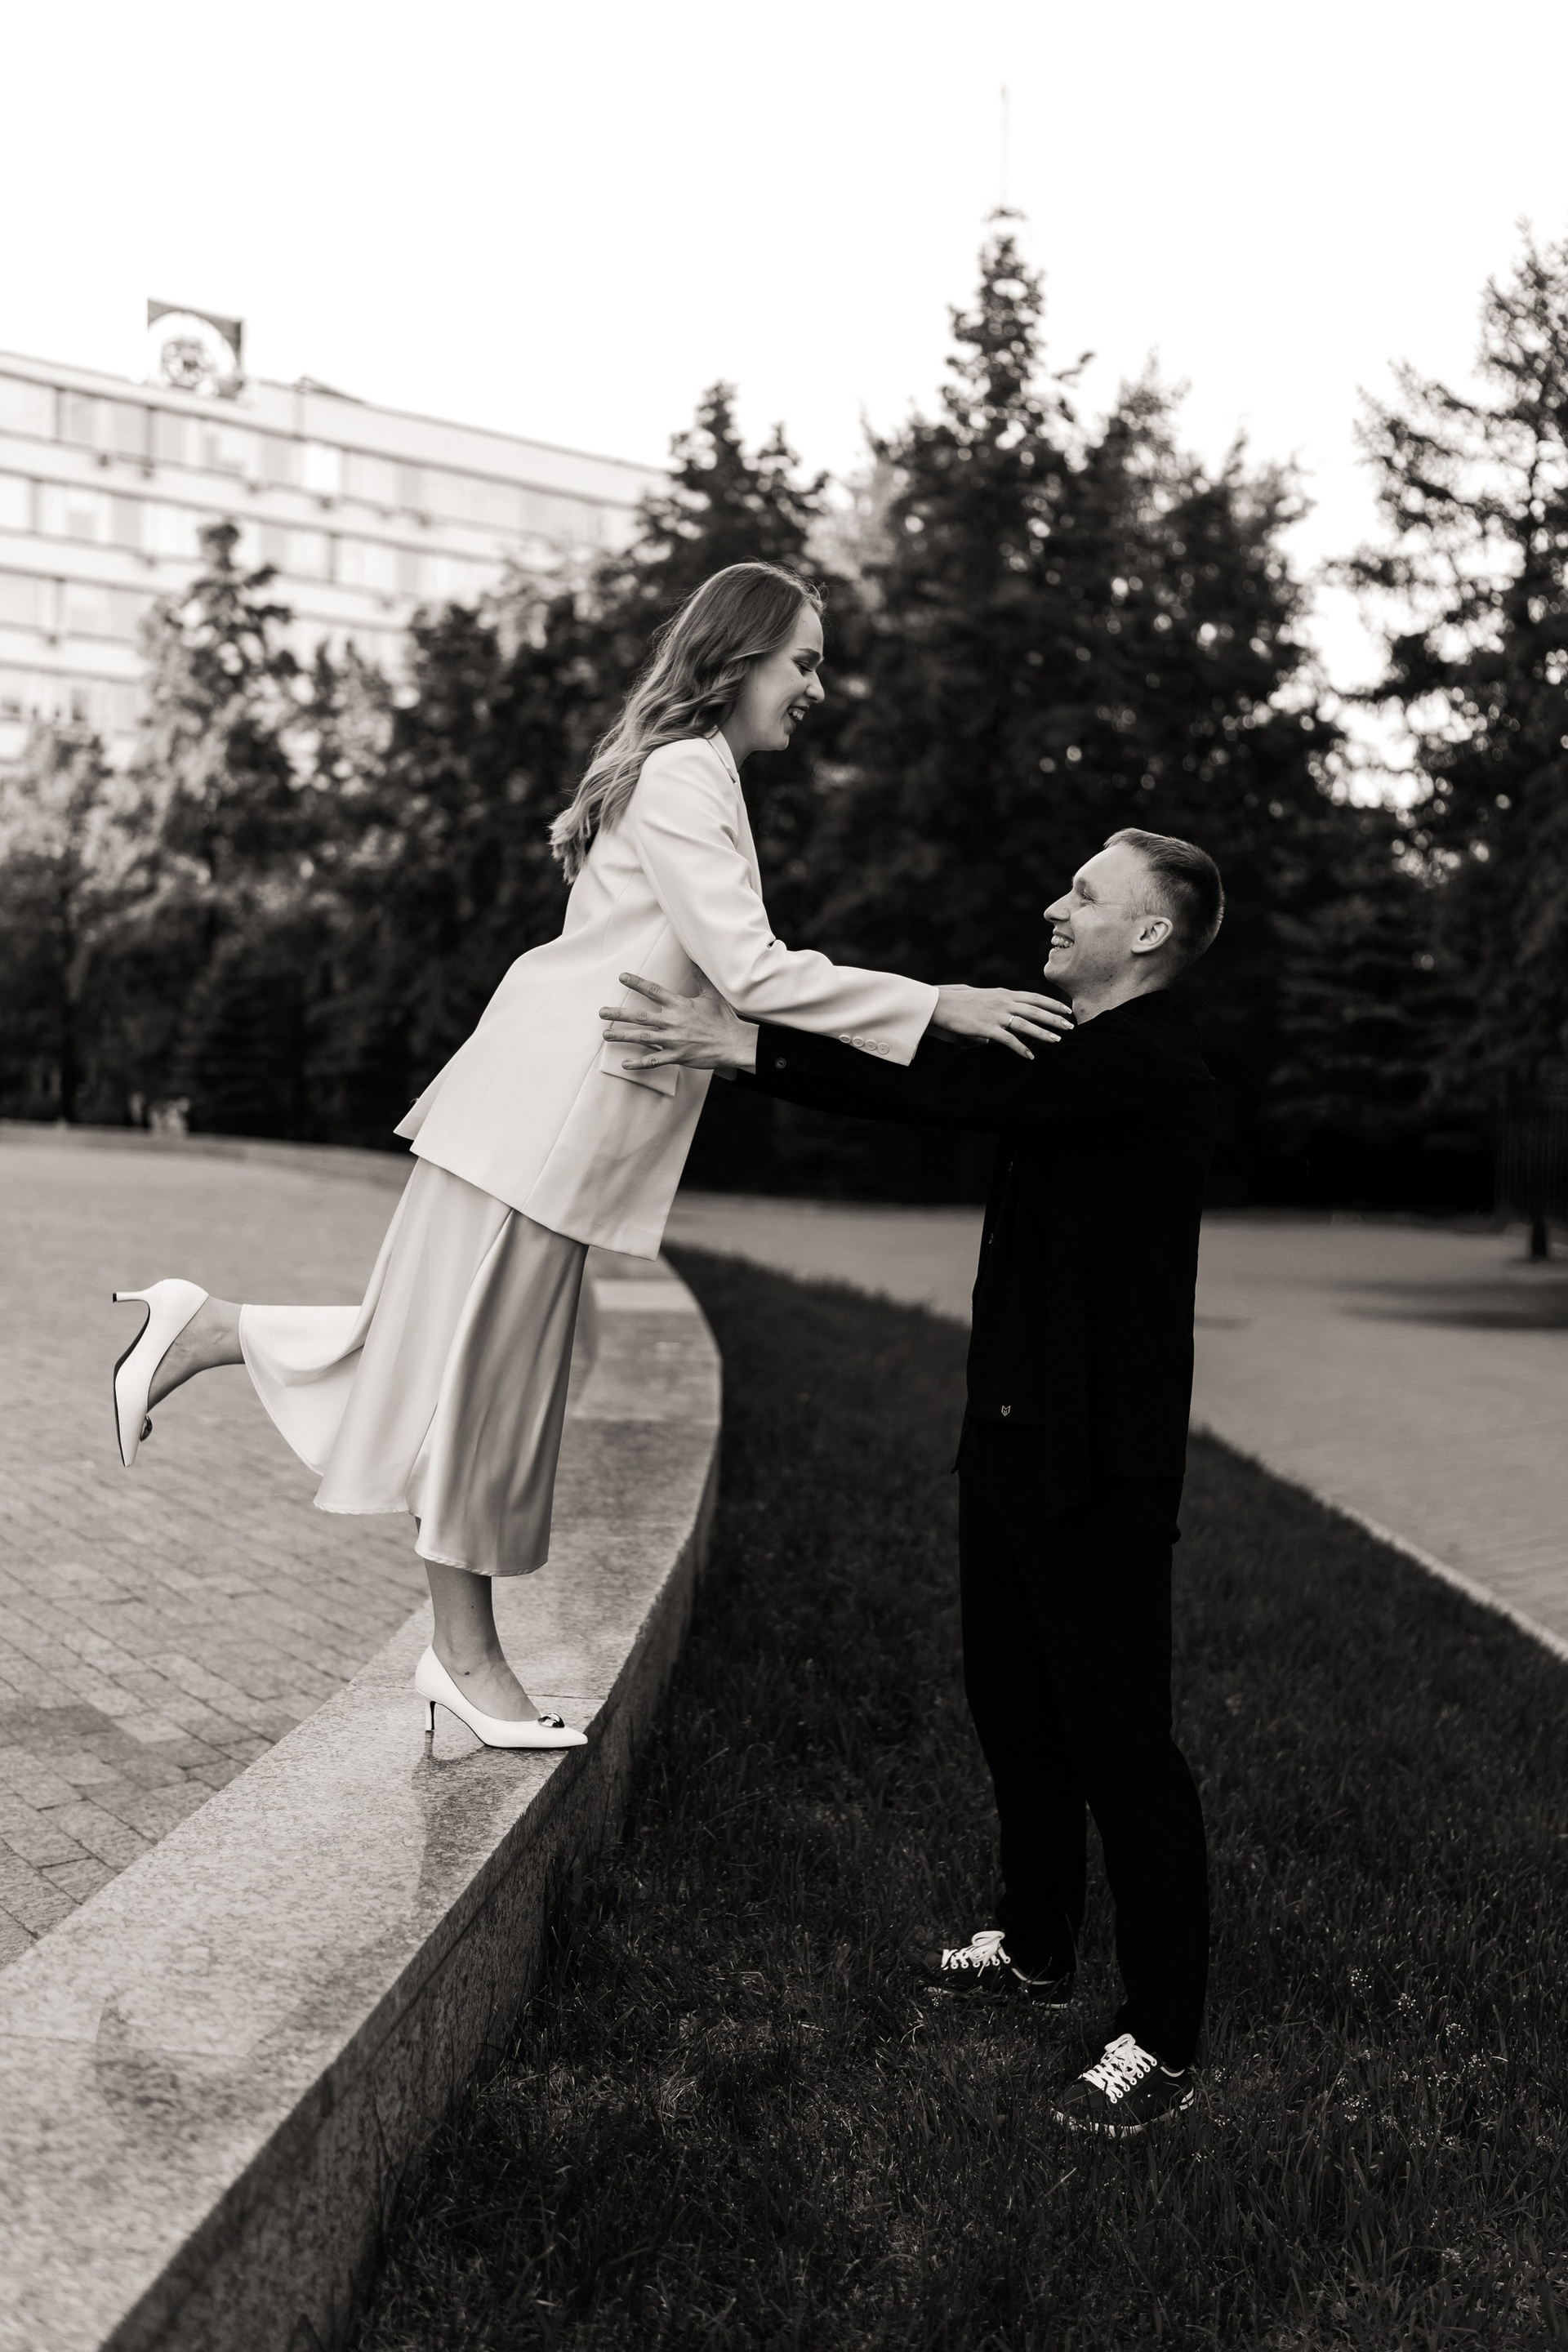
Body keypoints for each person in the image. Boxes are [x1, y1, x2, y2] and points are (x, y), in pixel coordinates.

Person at [110, 563, 1069, 1753]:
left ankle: (206, 1332)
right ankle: (463, 1659)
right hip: (542, 1123)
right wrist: (938, 1006)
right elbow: (750, 967)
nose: (818, 688)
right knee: (480, 1387)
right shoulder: (684, 776)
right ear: (739, 660)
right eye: (804, 662)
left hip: (540, 1119)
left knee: (459, 1367)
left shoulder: (694, 772)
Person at [599, 826, 1222, 2136]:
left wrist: (749, 1046)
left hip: (1098, 1465)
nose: (1055, 906)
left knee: (1120, 1744)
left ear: (1150, 932)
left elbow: (941, 1092)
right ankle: (1036, 1946)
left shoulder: (1149, 1063)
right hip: (1008, 1437)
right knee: (1014, 1704)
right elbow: (962, 1086)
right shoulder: (1072, 1050)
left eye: (1086, 894)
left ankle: (1164, 2040)